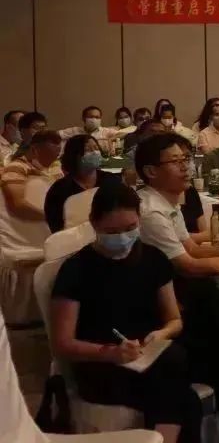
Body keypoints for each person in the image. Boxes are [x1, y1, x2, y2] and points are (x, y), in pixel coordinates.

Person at [49, 181, 202, 443]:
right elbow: (63, 343)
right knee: (182, 394)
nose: (122, 237)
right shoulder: (75, 270)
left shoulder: (153, 259)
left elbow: (174, 320)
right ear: (94, 223)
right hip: (101, 366)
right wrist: (110, 353)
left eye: (130, 228)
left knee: (175, 367)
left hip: (148, 358)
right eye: (112, 231)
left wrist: (161, 334)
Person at [135, 133, 219, 276]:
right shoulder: (152, 212)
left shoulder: (166, 202)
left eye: (185, 159)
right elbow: (188, 267)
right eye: (175, 161)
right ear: (151, 171)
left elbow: (193, 250)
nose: (185, 167)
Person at [44, 134, 119, 233]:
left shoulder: (112, 180)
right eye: (88, 150)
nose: (95, 152)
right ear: (74, 155)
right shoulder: (59, 190)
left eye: (96, 148)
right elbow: (56, 227)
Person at [1, 130, 62, 241]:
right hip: (25, 235)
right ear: (35, 149)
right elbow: (17, 204)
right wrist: (53, 218)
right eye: (53, 143)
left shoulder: (55, 168)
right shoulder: (16, 167)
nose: (59, 148)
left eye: (59, 143)